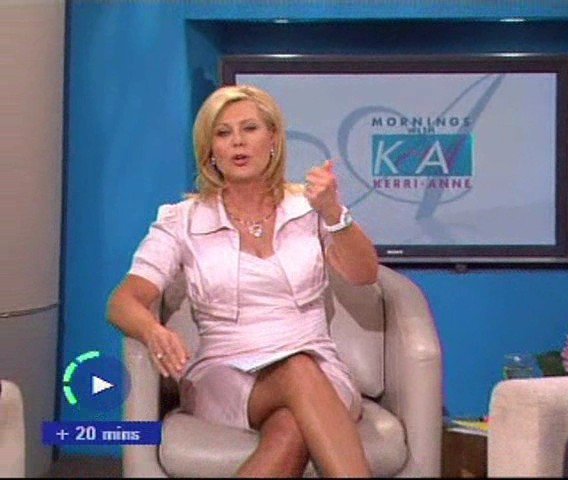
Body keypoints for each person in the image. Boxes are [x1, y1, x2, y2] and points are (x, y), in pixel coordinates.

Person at [107, 85, 379, 477]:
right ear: (210, 151)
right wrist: (152, 331)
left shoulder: (310, 209)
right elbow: (123, 301)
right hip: (223, 373)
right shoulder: (182, 221)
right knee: (299, 374)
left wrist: (334, 212)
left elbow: (364, 274)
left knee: (291, 423)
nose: (237, 141)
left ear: (273, 139)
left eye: (249, 128)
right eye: (223, 133)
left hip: (319, 368)